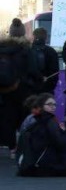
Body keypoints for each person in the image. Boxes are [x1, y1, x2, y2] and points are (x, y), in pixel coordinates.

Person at [15, 93, 66, 176]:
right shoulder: (49, 121)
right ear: (41, 106)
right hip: (47, 161)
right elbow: (63, 144)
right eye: (49, 104)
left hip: (32, 161)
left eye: (54, 105)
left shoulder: (34, 118)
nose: (53, 107)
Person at [0, 22, 40, 160]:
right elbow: (33, 70)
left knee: (7, 118)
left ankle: (12, 148)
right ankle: (23, 147)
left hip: (5, 89)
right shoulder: (26, 49)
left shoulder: (2, 49)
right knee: (24, 119)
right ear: (23, 33)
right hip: (24, 89)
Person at [31, 28, 59, 93]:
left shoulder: (28, 50)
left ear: (34, 37)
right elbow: (55, 73)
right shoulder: (52, 51)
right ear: (46, 38)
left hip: (31, 91)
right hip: (47, 91)